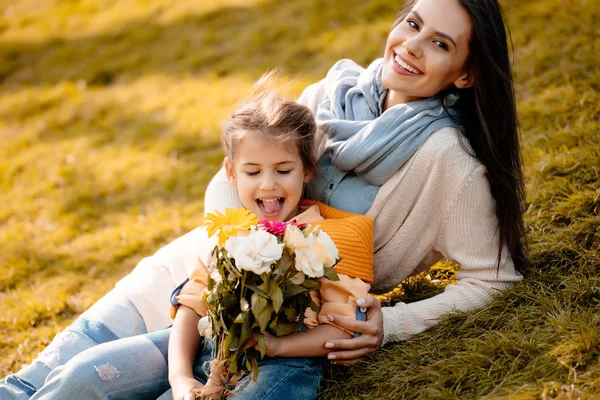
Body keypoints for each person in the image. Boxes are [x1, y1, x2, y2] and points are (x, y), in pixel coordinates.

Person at [0, 0, 527, 397]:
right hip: (206, 265)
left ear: (466, 72)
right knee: (46, 380)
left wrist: (391, 324)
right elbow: (234, 175)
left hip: (298, 323)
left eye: (440, 43)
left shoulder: (447, 163)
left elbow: (494, 277)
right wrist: (235, 251)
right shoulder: (331, 92)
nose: (412, 45)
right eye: (412, 24)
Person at [168, 90, 374, 400]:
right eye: (253, 171)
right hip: (208, 357)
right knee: (92, 376)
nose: (268, 184)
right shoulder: (233, 232)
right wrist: (180, 378)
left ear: (307, 169)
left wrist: (278, 346)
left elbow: (343, 328)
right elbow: (193, 304)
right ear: (231, 173)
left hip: (284, 363)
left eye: (283, 170)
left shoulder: (336, 235)